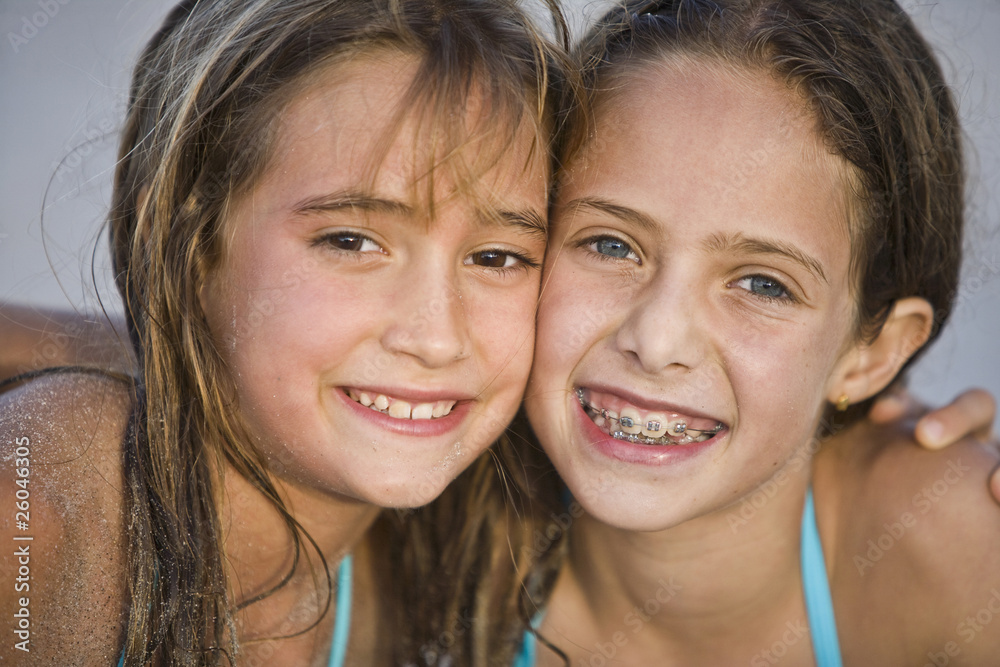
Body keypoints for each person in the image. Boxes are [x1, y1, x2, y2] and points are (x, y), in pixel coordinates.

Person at [0, 0, 574, 663]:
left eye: (495, 257)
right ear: (191, 247)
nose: (437, 337)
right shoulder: (42, 511)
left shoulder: (484, 541)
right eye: (350, 240)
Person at [516, 0, 1000, 664]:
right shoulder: (416, 539)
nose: (656, 342)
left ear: (872, 352)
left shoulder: (954, 548)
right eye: (610, 244)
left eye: (763, 283)